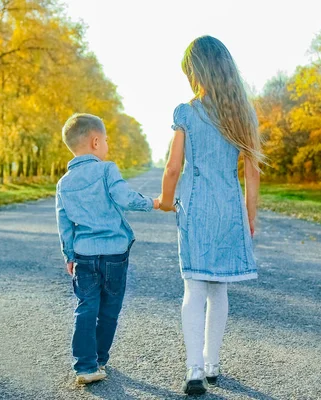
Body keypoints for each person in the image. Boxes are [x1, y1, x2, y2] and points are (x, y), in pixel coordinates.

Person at [158, 35, 263, 395]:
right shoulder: (242, 114)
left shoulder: (187, 112)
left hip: (197, 207)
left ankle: (194, 370)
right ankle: (213, 363)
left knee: (194, 288)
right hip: (229, 209)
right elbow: (252, 172)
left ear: (196, 72)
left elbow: (173, 168)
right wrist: (249, 216)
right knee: (219, 288)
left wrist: (166, 200)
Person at [56, 113, 160, 384]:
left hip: (84, 255)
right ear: (94, 142)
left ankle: (85, 366)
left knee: (86, 307)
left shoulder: (63, 183)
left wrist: (69, 255)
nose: (107, 145)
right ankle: (100, 357)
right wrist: (154, 203)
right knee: (110, 309)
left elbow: (64, 223)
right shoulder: (106, 169)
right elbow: (123, 197)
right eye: (105, 140)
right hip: (114, 254)